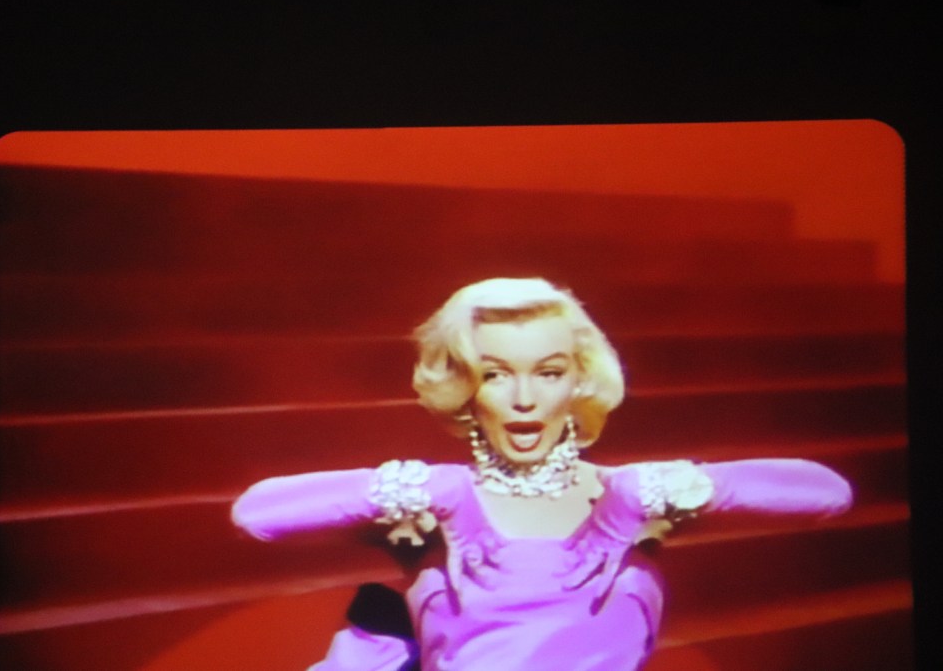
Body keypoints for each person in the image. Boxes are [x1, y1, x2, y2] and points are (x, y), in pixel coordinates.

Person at [232, 277, 853, 671]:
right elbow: (257, 515)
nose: (524, 399)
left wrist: (667, 490)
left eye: (549, 372)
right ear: (466, 386)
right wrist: (427, 488)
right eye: (496, 374)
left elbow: (828, 493)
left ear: (579, 380)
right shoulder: (431, 503)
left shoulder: (628, 495)